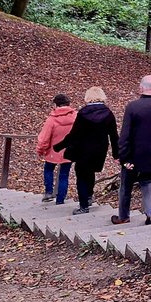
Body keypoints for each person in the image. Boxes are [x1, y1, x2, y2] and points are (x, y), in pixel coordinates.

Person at [53, 87, 120, 215]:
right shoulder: (108, 113)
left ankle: (84, 206)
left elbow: (74, 134)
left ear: (88, 97)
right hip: (100, 150)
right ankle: (89, 196)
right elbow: (114, 136)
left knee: (82, 175)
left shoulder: (83, 113)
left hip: (83, 150)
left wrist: (58, 146)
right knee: (91, 172)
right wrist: (116, 154)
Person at [113, 75, 151, 226]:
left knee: (126, 186)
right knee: (148, 183)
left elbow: (125, 135)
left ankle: (123, 216)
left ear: (141, 88)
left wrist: (124, 157)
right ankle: (150, 213)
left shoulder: (132, 107)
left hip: (132, 155)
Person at [35, 93, 76, 204]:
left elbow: (44, 138)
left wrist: (40, 150)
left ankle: (48, 192)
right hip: (70, 151)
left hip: (53, 151)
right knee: (64, 175)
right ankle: (60, 199)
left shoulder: (51, 120)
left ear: (56, 105)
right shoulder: (76, 117)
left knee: (48, 169)